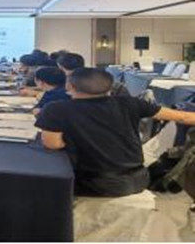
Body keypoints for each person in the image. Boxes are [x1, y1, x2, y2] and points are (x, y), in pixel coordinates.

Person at [36, 67, 195, 197]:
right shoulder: (130, 103)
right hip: (139, 179)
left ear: (69, 86)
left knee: (41, 183)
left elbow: (53, 144)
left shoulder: (56, 109)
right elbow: (183, 117)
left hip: (95, 183)